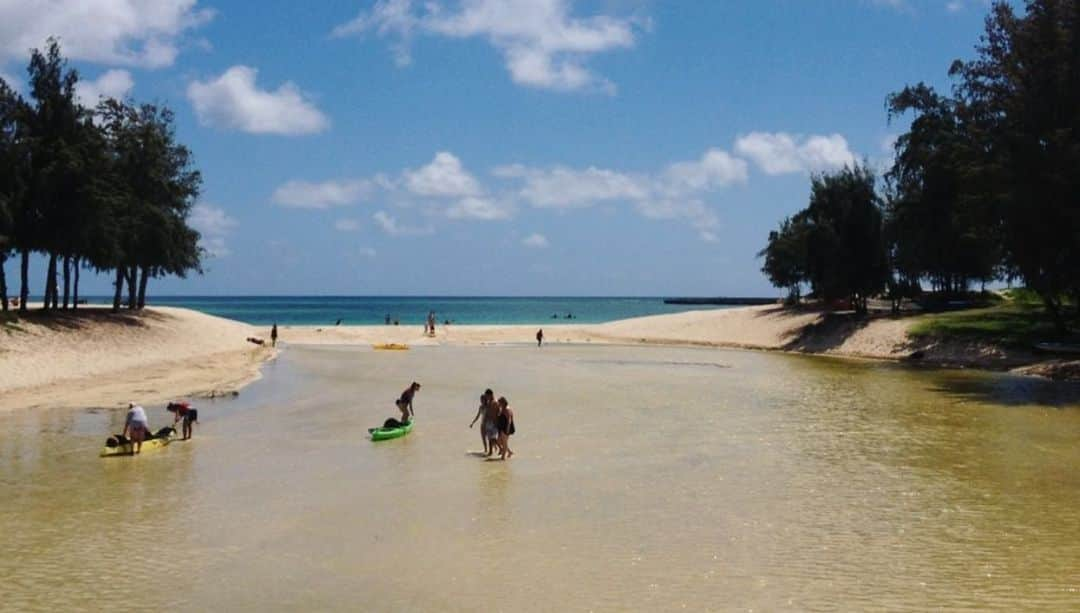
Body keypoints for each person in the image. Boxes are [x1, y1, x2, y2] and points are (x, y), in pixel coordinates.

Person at [469, 389, 495, 455]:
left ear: (485, 400)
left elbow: (490, 415)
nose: (481, 401)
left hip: (488, 424)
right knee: (483, 438)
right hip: (482, 424)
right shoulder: (480, 407)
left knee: (490, 439)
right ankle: (485, 450)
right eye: (480, 400)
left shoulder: (488, 406)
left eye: (482, 400)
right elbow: (477, 416)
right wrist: (472, 423)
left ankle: (494, 448)